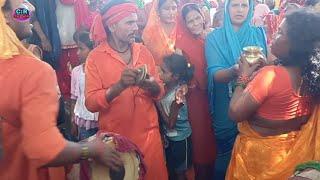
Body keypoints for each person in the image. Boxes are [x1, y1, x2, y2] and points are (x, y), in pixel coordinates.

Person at [0, 0, 123, 179]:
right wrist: (90, 149)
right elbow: (44, 148)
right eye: (22, 7)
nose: (31, 9)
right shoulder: (33, 71)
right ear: (4, 17)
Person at [227, 9, 320, 179]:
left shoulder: (271, 75)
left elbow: (234, 113)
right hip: (290, 159)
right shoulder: (313, 78)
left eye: (280, 32)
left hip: (257, 164)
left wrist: (243, 77)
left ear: (295, 44)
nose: (274, 36)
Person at [86, 0, 168, 179]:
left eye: (136, 22)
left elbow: (160, 91)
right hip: (117, 145)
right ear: (112, 25)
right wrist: (119, 87)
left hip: (149, 139)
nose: (136, 27)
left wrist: (150, 84)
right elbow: (91, 103)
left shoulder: (144, 51)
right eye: (129, 23)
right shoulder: (95, 58)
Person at [205, 0, 267, 178]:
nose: (240, 10)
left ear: (250, 8)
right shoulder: (214, 38)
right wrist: (236, 71)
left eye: (244, 5)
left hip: (254, 99)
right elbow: (214, 74)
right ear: (227, 8)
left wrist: (263, 65)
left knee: (253, 150)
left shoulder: (258, 33)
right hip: (225, 101)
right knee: (225, 152)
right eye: (235, 5)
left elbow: (269, 63)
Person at [176, 3, 217, 180]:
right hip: (197, 99)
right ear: (184, 23)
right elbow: (180, 75)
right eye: (189, 21)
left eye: (196, 18)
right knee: (201, 139)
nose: (194, 24)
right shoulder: (181, 45)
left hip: (218, 94)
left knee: (217, 135)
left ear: (203, 16)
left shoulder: (214, 36)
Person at [157, 54, 194, 180]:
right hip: (171, 138)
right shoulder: (167, 87)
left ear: (175, 76)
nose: (159, 74)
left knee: (180, 173)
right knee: (173, 170)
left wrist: (158, 104)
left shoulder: (178, 96)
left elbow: (171, 124)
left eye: (163, 71)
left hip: (180, 139)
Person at [71, 30, 98, 141]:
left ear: (93, 50)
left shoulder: (100, 70)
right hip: (83, 120)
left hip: (99, 120)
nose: (77, 52)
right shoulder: (76, 71)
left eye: (81, 49)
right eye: (78, 48)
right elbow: (74, 98)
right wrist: (73, 120)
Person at [142, 0, 178, 65]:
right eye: (166, 9)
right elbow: (147, 56)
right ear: (158, 11)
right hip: (156, 69)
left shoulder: (180, 27)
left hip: (178, 70)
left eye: (174, 8)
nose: (171, 13)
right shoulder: (151, 31)